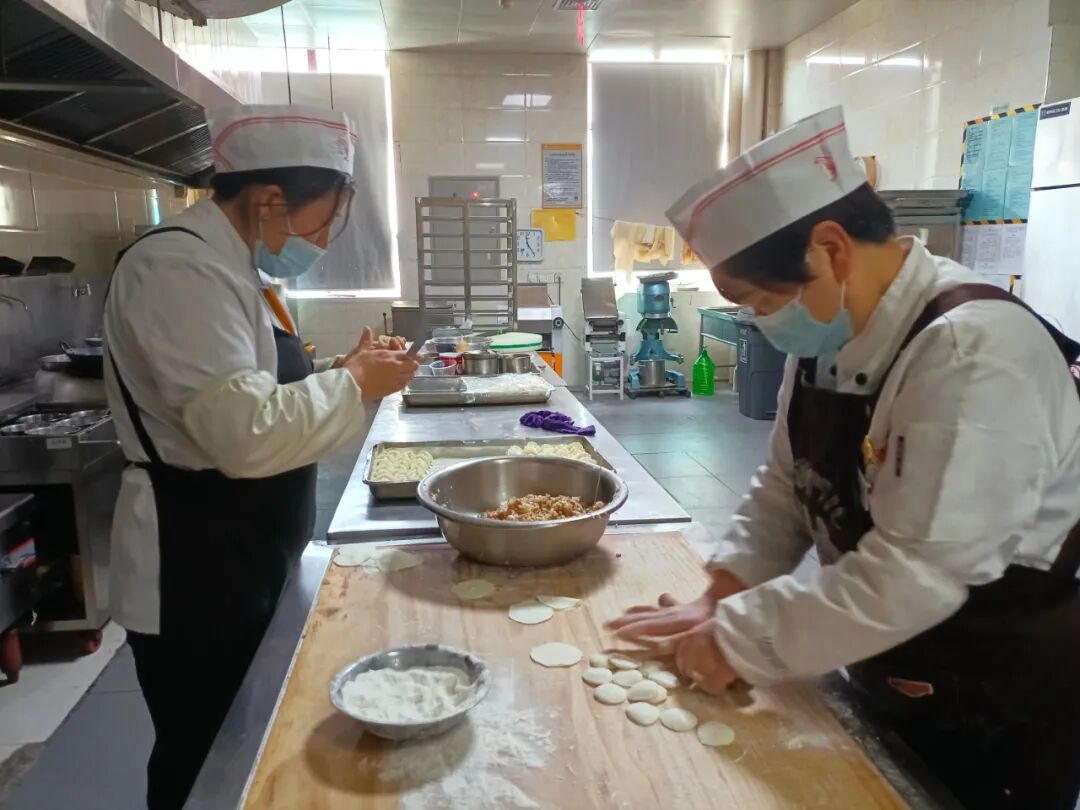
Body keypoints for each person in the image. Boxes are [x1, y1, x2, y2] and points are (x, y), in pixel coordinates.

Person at [608, 106, 1080, 810]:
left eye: (759, 299)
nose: (762, 320)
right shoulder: (832, 335)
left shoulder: (972, 355)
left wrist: (738, 640)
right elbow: (785, 485)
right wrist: (722, 593)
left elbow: (916, 572)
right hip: (883, 649)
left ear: (830, 249)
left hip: (994, 690)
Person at [103, 104, 418, 809]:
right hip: (194, 559)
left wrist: (342, 368)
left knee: (249, 736)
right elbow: (241, 432)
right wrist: (353, 383)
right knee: (205, 756)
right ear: (271, 199)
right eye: (325, 218)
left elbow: (253, 388)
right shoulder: (179, 268)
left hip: (245, 544)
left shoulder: (232, 266)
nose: (323, 239)